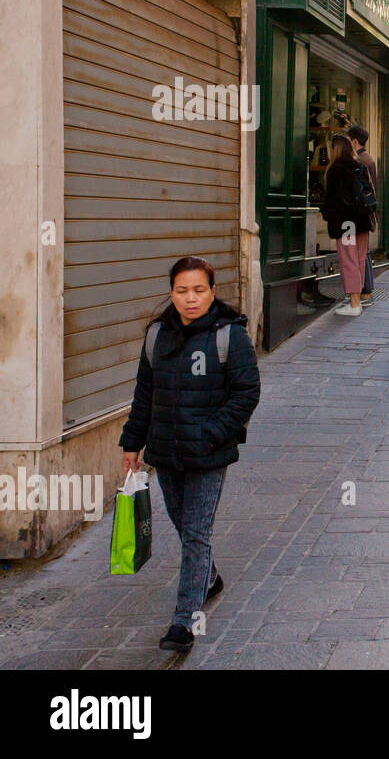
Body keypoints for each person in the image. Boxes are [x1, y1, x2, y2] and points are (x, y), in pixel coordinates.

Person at [120, 256, 261, 653]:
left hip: (208, 454)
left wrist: (211, 434)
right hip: (165, 452)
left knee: (197, 533)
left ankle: (184, 622)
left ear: (212, 292)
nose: (191, 298)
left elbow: (246, 393)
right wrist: (132, 444)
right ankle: (210, 576)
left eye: (199, 290)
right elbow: (144, 395)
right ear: (171, 294)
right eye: (182, 291)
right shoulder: (156, 337)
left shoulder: (229, 337)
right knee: (184, 526)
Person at [322, 134, 375, 317]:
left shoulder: (336, 170)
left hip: (346, 222)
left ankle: (354, 303)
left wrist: (327, 214)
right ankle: (356, 299)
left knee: (348, 261)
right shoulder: (360, 166)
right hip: (362, 221)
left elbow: (333, 200)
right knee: (359, 260)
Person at [347, 125, 379, 306]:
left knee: (359, 252)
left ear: (354, 141)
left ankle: (365, 289)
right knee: (362, 251)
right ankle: (366, 288)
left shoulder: (360, 160)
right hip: (367, 209)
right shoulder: (367, 158)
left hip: (361, 210)